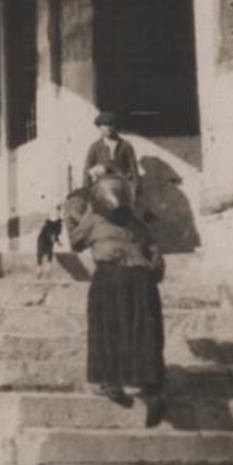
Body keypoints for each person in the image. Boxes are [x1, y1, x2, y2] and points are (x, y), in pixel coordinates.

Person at [63, 176, 169, 426]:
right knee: (145, 333)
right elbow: (156, 258)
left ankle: (111, 382)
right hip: (143, 280)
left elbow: (76, 242)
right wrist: (152, 268)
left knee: (108, 328)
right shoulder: (137, 224)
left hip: (111, 277)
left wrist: (71, 218)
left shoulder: (95, 220)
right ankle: (152, 389)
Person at [84, 110, 140, 197]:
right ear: (99, 127)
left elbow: (134, 170)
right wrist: (86, 191)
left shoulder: (125, 146)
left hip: (121, 189)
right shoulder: (95, 147)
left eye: (111, 124)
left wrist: (135, 189)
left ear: (115, 126)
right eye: (105, 125)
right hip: (101, 190)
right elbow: (87, 171)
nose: (109, 128)